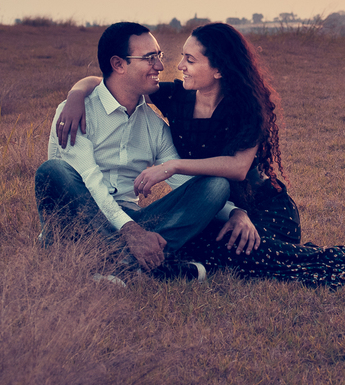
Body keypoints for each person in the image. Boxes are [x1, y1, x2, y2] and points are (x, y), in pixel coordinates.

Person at [56, 22, 345, 288]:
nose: (173, 66)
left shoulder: (248, 108)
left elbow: (236, 168)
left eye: (188, 60)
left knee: (229, 245)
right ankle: (149, 264)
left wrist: (183, 172)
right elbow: (111, 82)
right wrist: (75, 94)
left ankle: (129, 264)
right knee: (198, 241)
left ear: (218, 69)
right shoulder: (177, 98)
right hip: (208, 204)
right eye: (172, 58)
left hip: (256, 205)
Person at [35, 22, 231, 281]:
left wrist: (234, 212)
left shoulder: (153, 125)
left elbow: (185, 184)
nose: (160, 66)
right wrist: (132, 232)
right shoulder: (76, 114)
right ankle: (151, 266)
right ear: (118, 65)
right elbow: (90, 183)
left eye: (158, 56)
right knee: (53, 171)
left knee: (215, 185)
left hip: (133, 217)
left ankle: (119, 264)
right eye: (150, 58)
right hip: (78, 219)